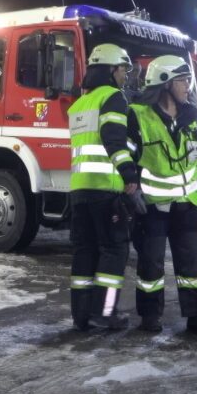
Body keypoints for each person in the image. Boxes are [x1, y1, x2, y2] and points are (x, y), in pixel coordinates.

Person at [127, 55, 197, 334]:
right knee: (151, 266)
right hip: (152, 207)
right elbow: (126, 157)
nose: (187, 86)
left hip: (186, 206)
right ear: (164, 83)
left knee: (192, 265)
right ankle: (150, 317)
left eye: (187, 79)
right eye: (182, 80)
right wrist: (130, 188)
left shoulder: (191, 117)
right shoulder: (138, 115)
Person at [67, 44, 142, 330]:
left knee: (84, 252)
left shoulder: (80, 104)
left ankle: (81, 315)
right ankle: (106, 312)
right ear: (111, 70)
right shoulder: (113, 98)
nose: (125, 75)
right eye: (123, 69)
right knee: (114, 250)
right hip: (106, 190)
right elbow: (114, 140)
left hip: (79, 190)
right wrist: (129, 175)